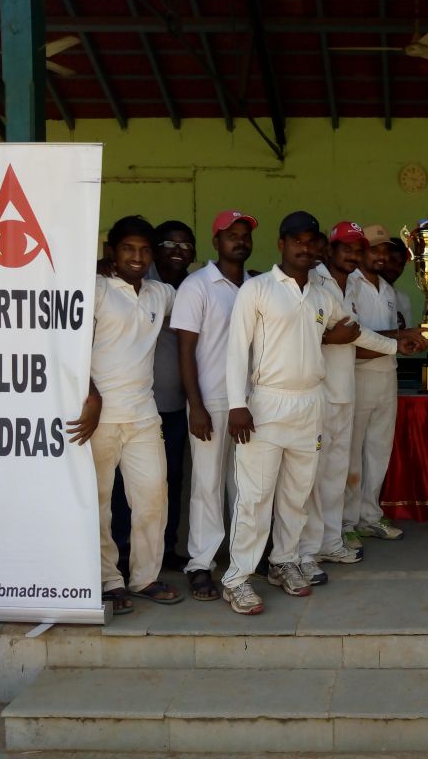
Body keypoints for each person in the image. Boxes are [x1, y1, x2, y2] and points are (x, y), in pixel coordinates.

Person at [221, 212, 399, 613]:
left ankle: (284, 561)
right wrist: (237, 405)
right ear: (281, 244)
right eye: (296, 241)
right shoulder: (257, 290)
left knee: (297, 494)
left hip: (310, 402)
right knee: (255, 497)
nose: (304, 248)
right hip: (266, 403)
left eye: (310, 241)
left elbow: (353, 331)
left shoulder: (321, 295)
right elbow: (236, 351)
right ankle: (237, 578)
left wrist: (396, 345)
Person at [69, 215, 183, 615]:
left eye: (145, 250)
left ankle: (144, 577)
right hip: (97, 417)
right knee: (100, 501)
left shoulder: (159, 294)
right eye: (128, 249)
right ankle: (108, 580)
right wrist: (91, 394)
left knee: (153, 495)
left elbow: (197, 301)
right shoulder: (97, 289)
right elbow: (70, 345)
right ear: (112, 252)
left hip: (143, 414)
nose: (137, 257)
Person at [299, 221, 424, 582]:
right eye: (354, 249)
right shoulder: (318, 282)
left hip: (355, 386)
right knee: (326, 470)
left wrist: (397, 342)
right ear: (329, 250)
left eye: (362, 249)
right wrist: (397, 340)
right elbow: (344, 337)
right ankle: (321, 539)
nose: (364, 255)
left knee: (351, 463)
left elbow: (354, 334)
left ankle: (342, 532)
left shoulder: (371, 287)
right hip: (328, 386)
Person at [171, 209, 256, 601]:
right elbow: (185, 349)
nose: (240, 241)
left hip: (251, 402)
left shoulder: (257, 286)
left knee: (246, 486)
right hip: (212, 400)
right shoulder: (197, 285)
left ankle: (242, 559)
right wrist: (196, 405)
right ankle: (201, 563)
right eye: (231, 235)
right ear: (216, 241)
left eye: (245, 235)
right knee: (207, 484)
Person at [108, 220, 195, 575]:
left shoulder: (177, 290)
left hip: (168, 408)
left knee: (164, 483)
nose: (178, 251)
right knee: (116, 490)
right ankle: (118, 560)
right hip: (117, 409)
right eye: (169, 244)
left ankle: (161, 555)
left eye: (185, 245)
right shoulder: (111, 287)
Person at [343, 224, 407, 547]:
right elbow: (354, 339)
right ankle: (346, 522)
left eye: (385, 250)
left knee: (379, 450)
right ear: (361, 251)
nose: (381, 256)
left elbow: (387, 337)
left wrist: (402, 341)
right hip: (359, 376)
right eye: (374, 249)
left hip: (387, 375)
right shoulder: (349, 284)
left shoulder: (387, 289)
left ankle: (370, 516)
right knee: (352, 453)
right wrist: (400, 340)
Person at [383, 237, 414, 329]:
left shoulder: (403, 300)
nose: (396, 268)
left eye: (401, 264)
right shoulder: (359, 289)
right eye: (392, 261)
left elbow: (407, 333)